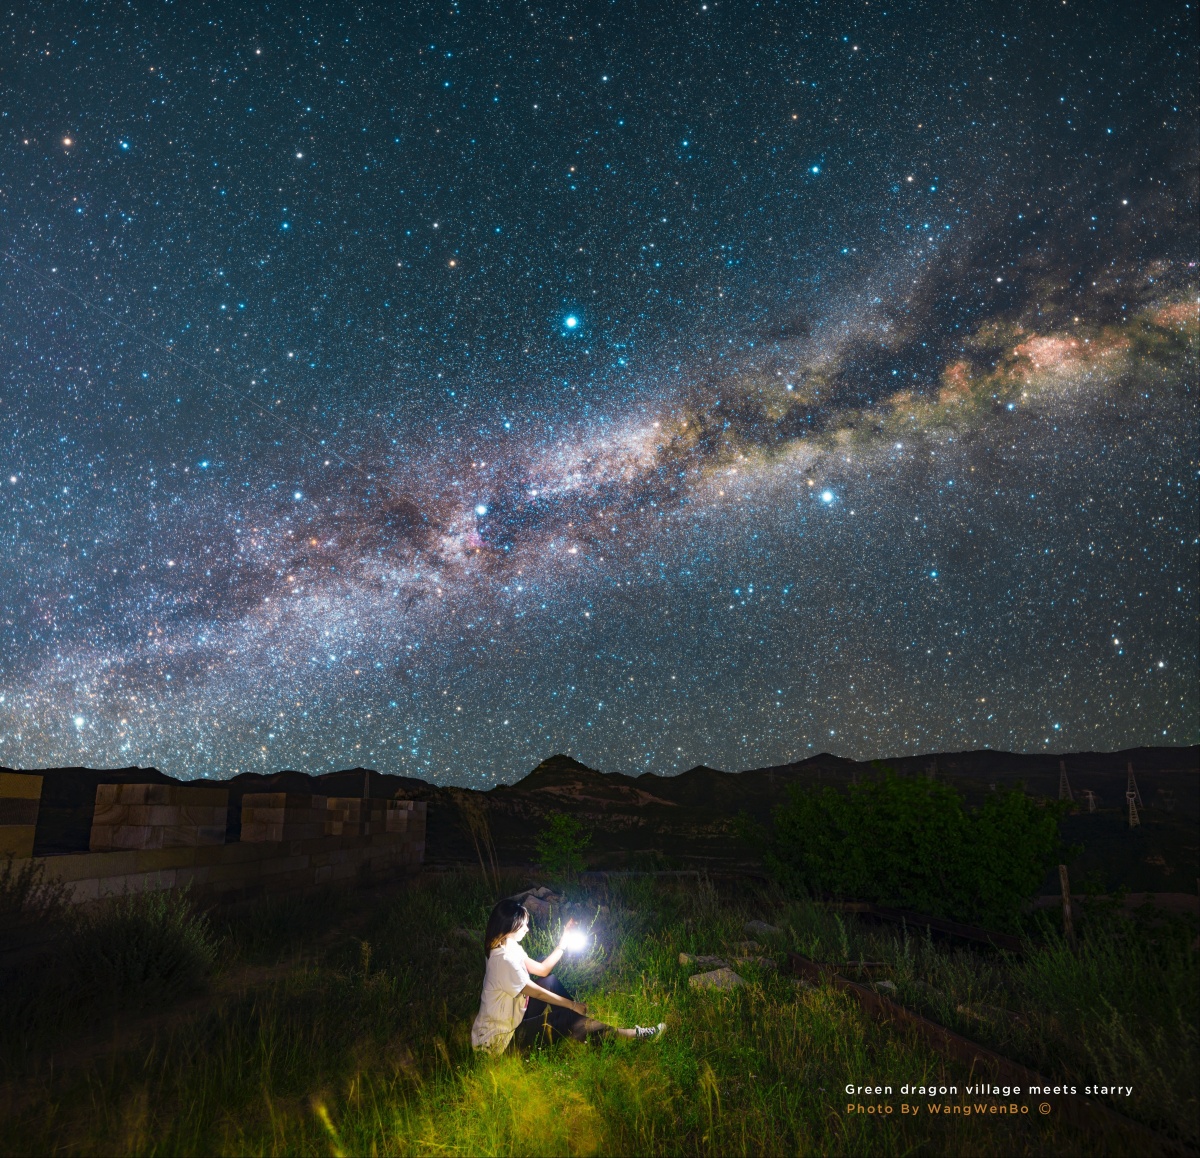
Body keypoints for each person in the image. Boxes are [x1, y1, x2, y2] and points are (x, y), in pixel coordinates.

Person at [470, 897, 665, 1054]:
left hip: (512, 1022)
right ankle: (632, 1035)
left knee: (550, 982)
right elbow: (537, 993)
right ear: (509, 928)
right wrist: (571, 1004)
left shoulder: (507, 946)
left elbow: (543, 971)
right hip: (500, 1043)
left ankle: (582, 1028)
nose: (527, 930)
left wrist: (564, 940)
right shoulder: (502, 960)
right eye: (523, 926)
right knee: (564, 1015)